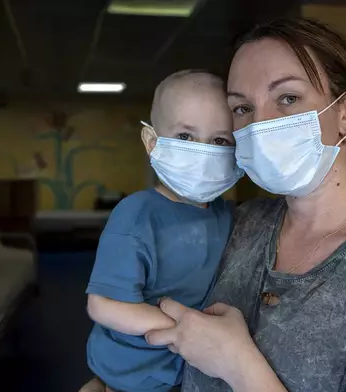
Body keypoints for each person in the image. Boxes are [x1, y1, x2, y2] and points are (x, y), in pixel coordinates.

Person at [81, 17, 346, 392]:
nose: (261, 125)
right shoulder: (239, 223)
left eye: (288, 98)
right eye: (242, 108)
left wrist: (240, 366)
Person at [83, 70, 243, 392]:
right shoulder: (136, 215)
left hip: (185, 370)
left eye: (220, 140)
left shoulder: (227, 215)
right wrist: (185, 326)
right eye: (185, 137)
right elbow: (102, 305)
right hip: (130, 370)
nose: (204, 151)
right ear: (153, 142)